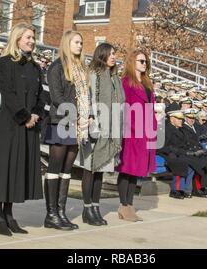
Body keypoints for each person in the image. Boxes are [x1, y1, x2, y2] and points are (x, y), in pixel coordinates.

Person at [0, 23, 47, 236]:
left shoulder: (36, 67)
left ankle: (10, 215)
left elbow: (41, 95)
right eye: (28, 37)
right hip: (11, 124)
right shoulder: (5, 62)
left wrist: (36, 114)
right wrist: (24, 116)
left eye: (33, 38)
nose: (31, 41)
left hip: (30, 126)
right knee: (5, 168)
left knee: (18, 170)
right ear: (17, 39)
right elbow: (7, 93)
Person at [43, 30, 89, 231]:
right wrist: (76, 116)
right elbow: (57, 97)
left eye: (81, 42)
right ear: (67, 44)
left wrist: (87, 116)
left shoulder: (80, 68)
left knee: (67, 170)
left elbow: (85, 97)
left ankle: (60, 212)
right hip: (60, 122)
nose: (80, 45)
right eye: (76, 42)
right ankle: (51, 214)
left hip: (77, 125)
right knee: (55, 168)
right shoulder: (56, 67)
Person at [80, 43, 125, 226]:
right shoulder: (93, 75)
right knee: (90, 169)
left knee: (101, 172)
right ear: (102, 55)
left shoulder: (115, 78)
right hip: (96, 128)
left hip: (111, 130)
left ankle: (95, 207)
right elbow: (88, 99)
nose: (114, 56)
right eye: (111, 53)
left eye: (115, 53)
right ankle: (86, 208)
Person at [116, 49, 157, 222]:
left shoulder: (147, 84)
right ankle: (123, 205)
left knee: (136, 171)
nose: (144, 64)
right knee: (126, 170)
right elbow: (124, 108)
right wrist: (133, 126)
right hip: (131, 132)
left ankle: (129, 205)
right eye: (141, 61)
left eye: (145, 61)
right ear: (132, 62)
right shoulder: (126, 82)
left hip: (145, 132)